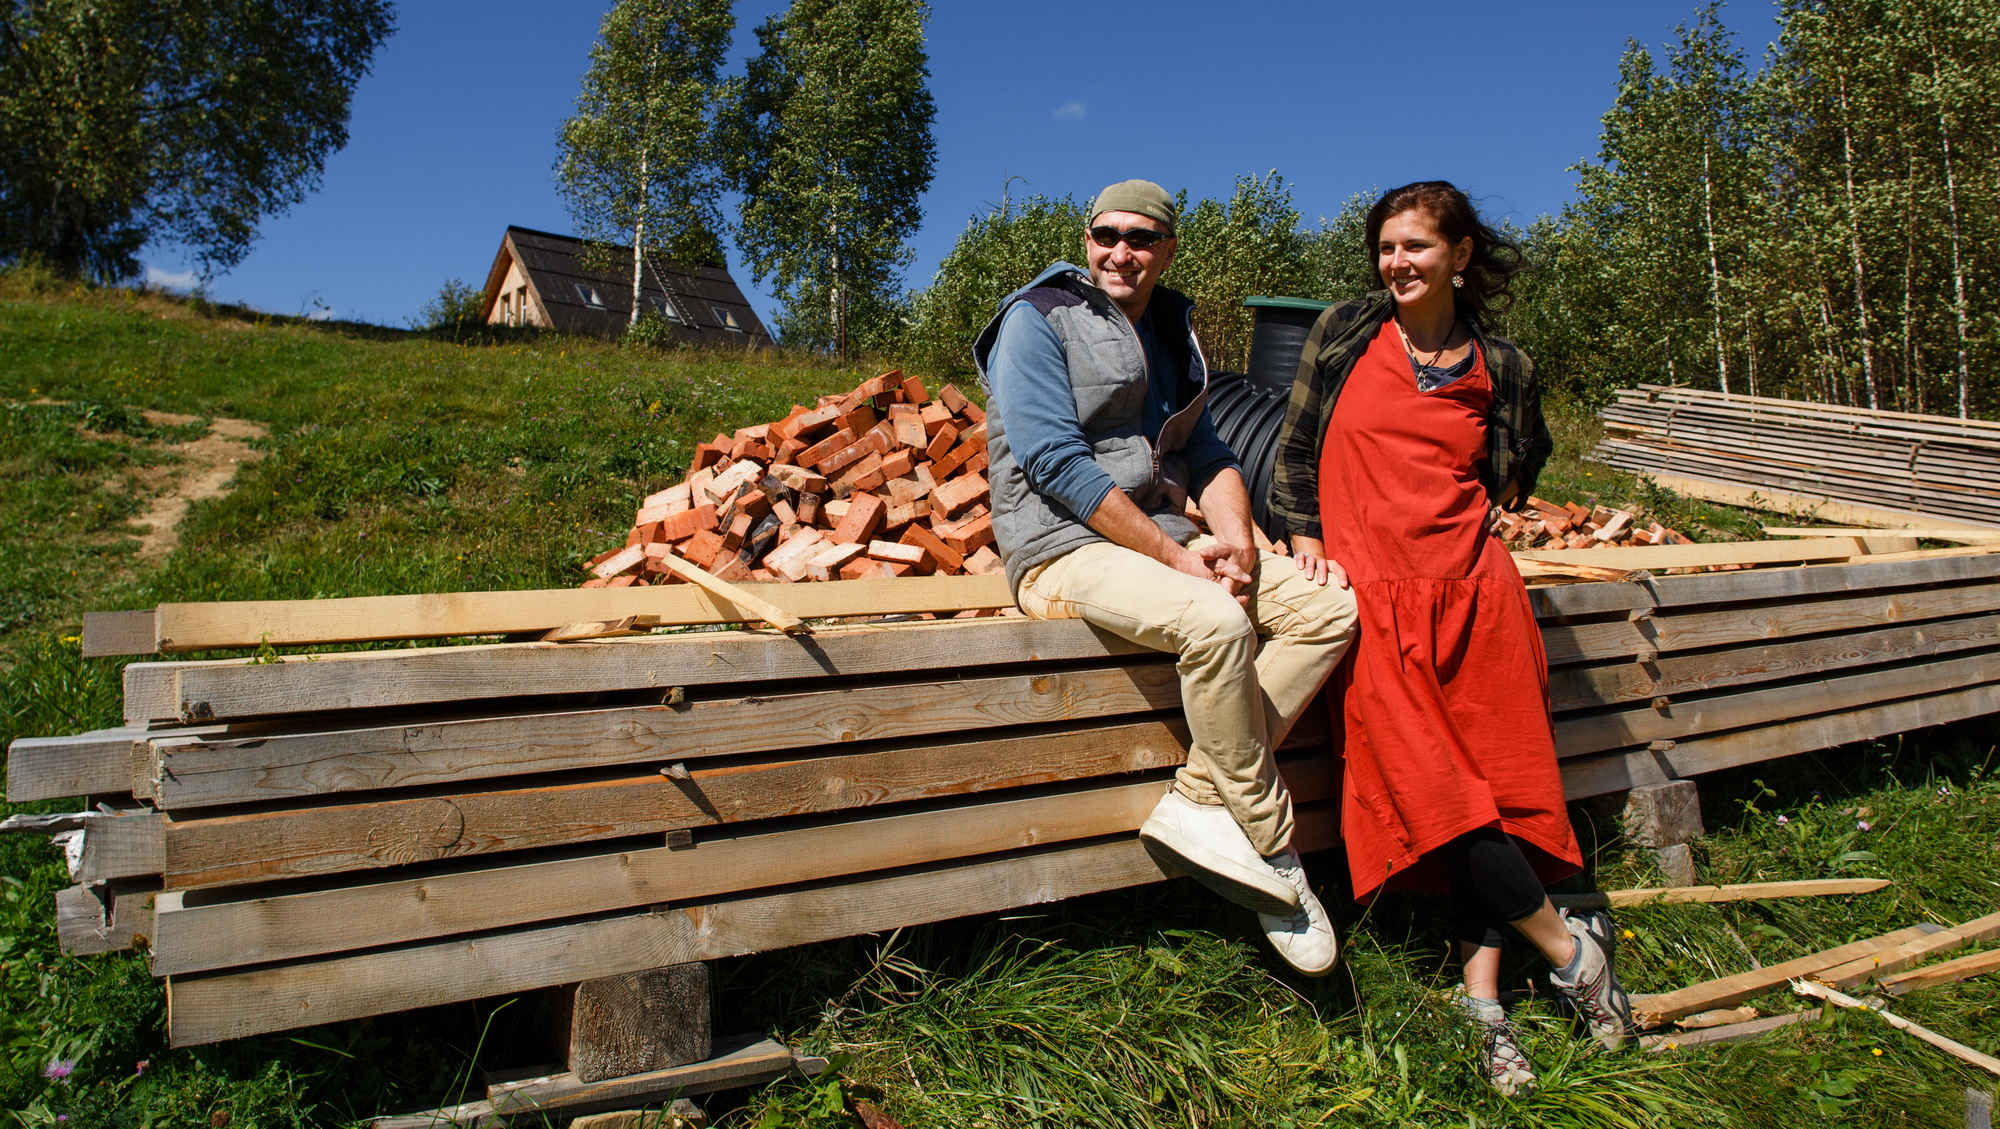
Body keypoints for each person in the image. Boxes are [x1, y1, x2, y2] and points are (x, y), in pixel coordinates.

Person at [1268, 180, 1636, 1094]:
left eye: (1416, 247)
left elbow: (1520, 461)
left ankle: (1484, 1006)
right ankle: (1572, 950)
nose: (1397, 263)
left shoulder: (1500, 362)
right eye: (1386, 247)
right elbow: (1296, 448)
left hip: (1477, 601)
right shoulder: (1347, 335)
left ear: (1460, 255)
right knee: (1437, 794)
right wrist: (1308, 540)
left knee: (1498, 794)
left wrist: (1490, 519)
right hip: (1375, 604)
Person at [973, 179, 1360, 977]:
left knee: (1326, 607)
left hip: (1161, 536)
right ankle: (1276, 849)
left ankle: (1201, 800)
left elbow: (1212, 454)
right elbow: (1052, 462)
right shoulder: (1036, 319)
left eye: (1142, 237)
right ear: (1086, 240)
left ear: (1167, 249)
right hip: (1057, 546)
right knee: (1216, 622)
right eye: (1107, 233)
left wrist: (1239, 542)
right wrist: (1182, 559)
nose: (1123, 251)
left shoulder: (1172, 330)